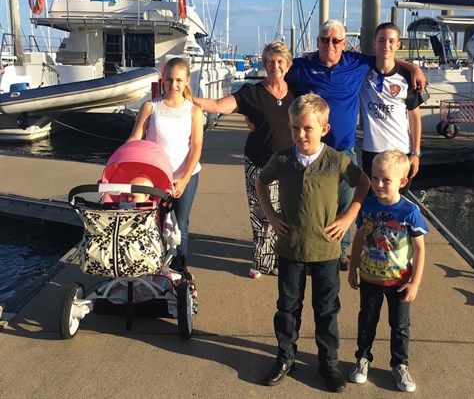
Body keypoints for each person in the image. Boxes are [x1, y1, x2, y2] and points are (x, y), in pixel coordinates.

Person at [286, 19, 426, 271]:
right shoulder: (300, 67)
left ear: (344, 44)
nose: (330, 44)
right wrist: (261, 113)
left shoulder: (356, 63)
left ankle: (341, 251)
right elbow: (275, 80)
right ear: (317, 42)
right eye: (325, 39)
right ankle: (306, 243)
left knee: (347, 200)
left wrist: (412, 66)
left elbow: (387, 57)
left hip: (344, 148)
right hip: (310, 148)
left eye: (336, 40)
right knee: (310, 200)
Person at [256, 94, 370, 393]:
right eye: (295, 128)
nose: (300, 135)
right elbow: (261, 181)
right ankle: (285, 357)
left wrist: (348, 217)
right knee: (287, 307)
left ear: (323, 127)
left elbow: (363, 183)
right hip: (291, 247)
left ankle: (328, 362)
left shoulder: (336, 160)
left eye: (307, 128)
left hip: (326, 250)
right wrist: (270, 214)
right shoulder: (282, 159)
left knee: (326, 309)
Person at [194, 41, 294, 278]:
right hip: (258, 162)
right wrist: (187, 97)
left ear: (288, 65)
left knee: (285, 212)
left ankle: (281, 259)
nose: (275, 66)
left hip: (289, 165)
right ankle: (261, 261)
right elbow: (219, 106)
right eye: (270, 61)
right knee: (260, 211)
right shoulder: (252, 92)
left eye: (280, 61)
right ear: (264, 64)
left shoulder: (296, 92)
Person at [348, 150, 428, 393]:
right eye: (374, 178)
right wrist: (353, 268)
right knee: (367, 321)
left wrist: (415, 282)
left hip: (399, 280)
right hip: (370, 277)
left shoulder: (409, 211)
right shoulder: (367, 206)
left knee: (400, 325)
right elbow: (359, 237)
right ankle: (362, 358)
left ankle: (400, 364)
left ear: (402, 182)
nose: (378, 184)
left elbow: (420, 249)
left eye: (386, 180)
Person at [127, 57, 203, 259]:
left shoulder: (194, 111)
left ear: (187, 80)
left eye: (179, 80)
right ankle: (157, 265)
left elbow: (196, 147)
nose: (173, 85)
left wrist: (185, 179)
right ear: (163, 80)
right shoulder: (150, 107)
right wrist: (121, 157)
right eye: (169, 80)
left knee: (181, 226)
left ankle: (179, 269)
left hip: (185, 176)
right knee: (154, 222)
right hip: (154, 178)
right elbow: (135, 138)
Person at [359, 22, 426, 193]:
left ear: (398, 44)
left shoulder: (407, 78)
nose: (386, 45)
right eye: (381, 40)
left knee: (395, 205)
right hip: (371, 151)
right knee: (372, 205)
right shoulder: (362, 71)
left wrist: (416, 154)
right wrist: (413, 65)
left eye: (391, 41)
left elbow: (414, 118)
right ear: (374, 43)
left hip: (400, 152)